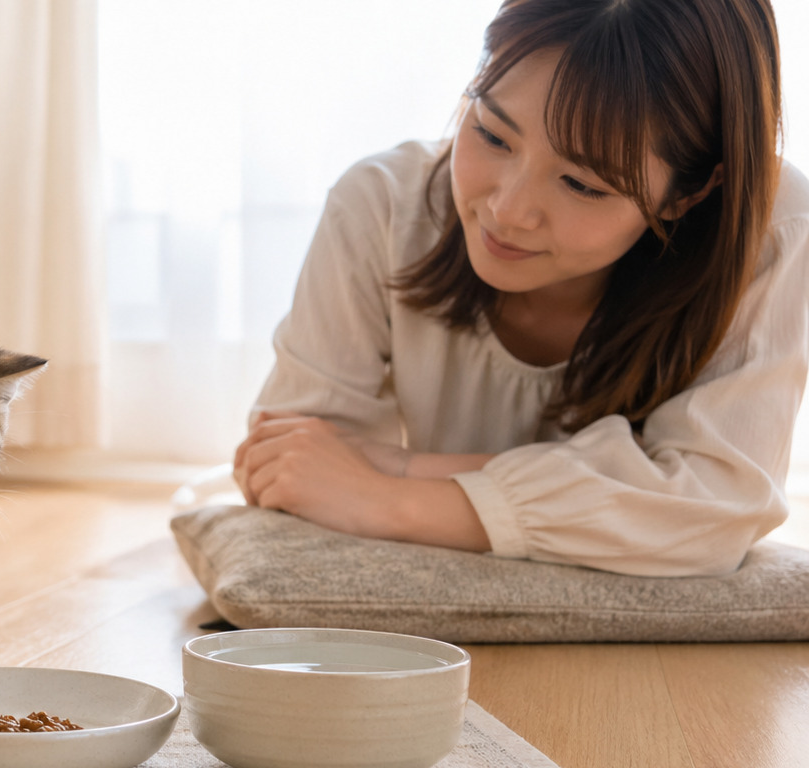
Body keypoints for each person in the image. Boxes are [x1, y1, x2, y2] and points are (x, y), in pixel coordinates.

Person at [233, 0, 805, 576]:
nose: (507, 212)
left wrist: (399, 489)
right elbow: (290, 467)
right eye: (491, 134)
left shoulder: (769, 229)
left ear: (692, 191)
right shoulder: (381, 205)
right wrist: (616, 490)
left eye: (582, 184)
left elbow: (716, 509)